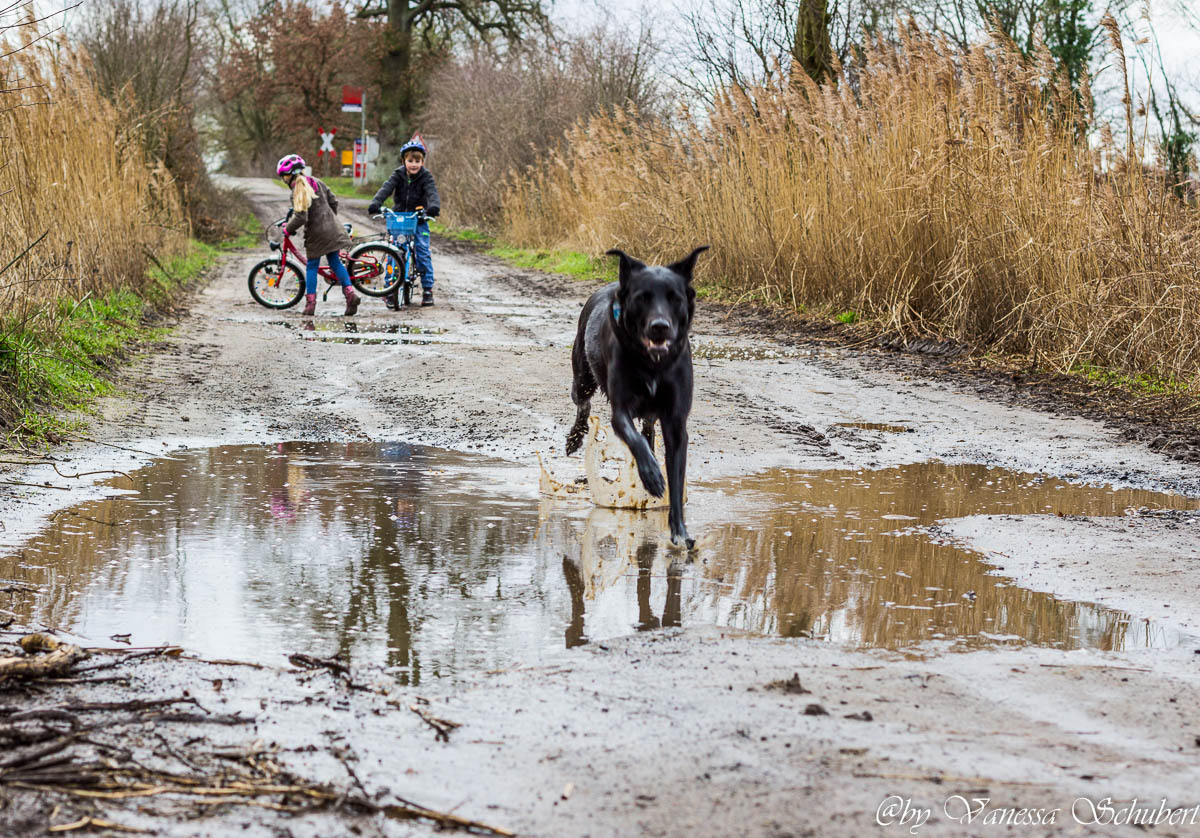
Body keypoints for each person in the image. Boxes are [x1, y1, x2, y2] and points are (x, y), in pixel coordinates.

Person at [277, 154, 359, 317]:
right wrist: (329, 219)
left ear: (289, 175)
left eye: (284, 176)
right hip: (333, 229)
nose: (284, 180)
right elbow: (333, 201)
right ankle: (350, 295)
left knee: (312, 267)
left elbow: (301, 216)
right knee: (335, 262)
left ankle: (310, 305)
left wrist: (287, 229)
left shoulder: (297, 190)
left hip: (316, 234)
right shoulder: (316, 182)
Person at [368, 136, 441, 307]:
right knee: (394, 253)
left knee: (422, 252)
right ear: (404, 161)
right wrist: (376, 203)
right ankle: (389, 289)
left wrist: (432, 208)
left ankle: (428, 289)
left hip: (419, 218)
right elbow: (386, 188)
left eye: (417, 161)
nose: (414, 164)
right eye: (410, 161)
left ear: (422, 162)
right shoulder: (398, 174)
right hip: (400, 219)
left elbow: (432, 193)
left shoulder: (426, 176)